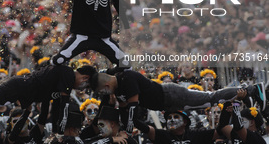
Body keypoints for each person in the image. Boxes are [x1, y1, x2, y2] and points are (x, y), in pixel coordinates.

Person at [90, 71, 266, 135]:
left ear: (106, 85)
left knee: (210, 99)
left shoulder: (126, 78)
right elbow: (125, 111)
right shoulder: (117, 90)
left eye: (102, 91)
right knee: (209, 101)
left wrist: (127, 130)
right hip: (167, 103)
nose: (104, 95)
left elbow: (132, 108)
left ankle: (252, 90)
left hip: (171, 95)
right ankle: (246, 96)